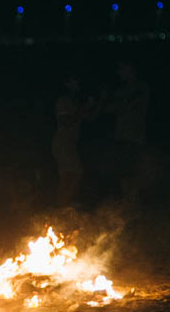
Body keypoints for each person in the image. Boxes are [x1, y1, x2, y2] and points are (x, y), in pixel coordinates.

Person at [100, 57, 150, 204]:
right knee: (123, 175)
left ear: (130, 68)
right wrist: (112, 102)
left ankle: (134, 207)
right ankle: (127, 207)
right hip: (121, 137)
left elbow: (125, 105)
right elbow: (108, 108)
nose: (119, 72)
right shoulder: (121, 90)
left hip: (135, 137)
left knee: (133, 176)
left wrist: (118, 104)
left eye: (121, 68)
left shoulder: (141, 86)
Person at [52, 73, 98, 207]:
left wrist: (100, 101)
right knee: (72, 175)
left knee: (70, 176)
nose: (78, 83)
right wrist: (85, 107)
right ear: (67, 83)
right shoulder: (63, 101)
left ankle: (62, 206)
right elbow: (66, 121)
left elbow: (91, 118)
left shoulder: (75, 102)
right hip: (63, 142)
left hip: (70, 143)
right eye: (74, 80)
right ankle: (62, 206)